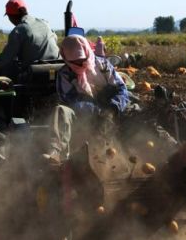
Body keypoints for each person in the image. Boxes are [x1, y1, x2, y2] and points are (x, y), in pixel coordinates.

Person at [43, 35, 129, 164]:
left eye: (83, 59)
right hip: (83, 115)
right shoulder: (65, 74)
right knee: (60, 111)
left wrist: (112, 108)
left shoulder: (103, 65)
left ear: (88, 51)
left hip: (111, 109)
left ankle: (157, 147)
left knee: (136, 109)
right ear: (66, 58)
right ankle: (56, 152)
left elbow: (121, 89)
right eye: (75, 61)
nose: (80, 63)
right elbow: (71, 101)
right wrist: (98, 111)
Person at [0, 0, 60, 80]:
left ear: (10, 16)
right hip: (56, 71)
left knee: (7, 69)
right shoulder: (45, 23)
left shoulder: (18, 30)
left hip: (34, 75)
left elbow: (5, 59)